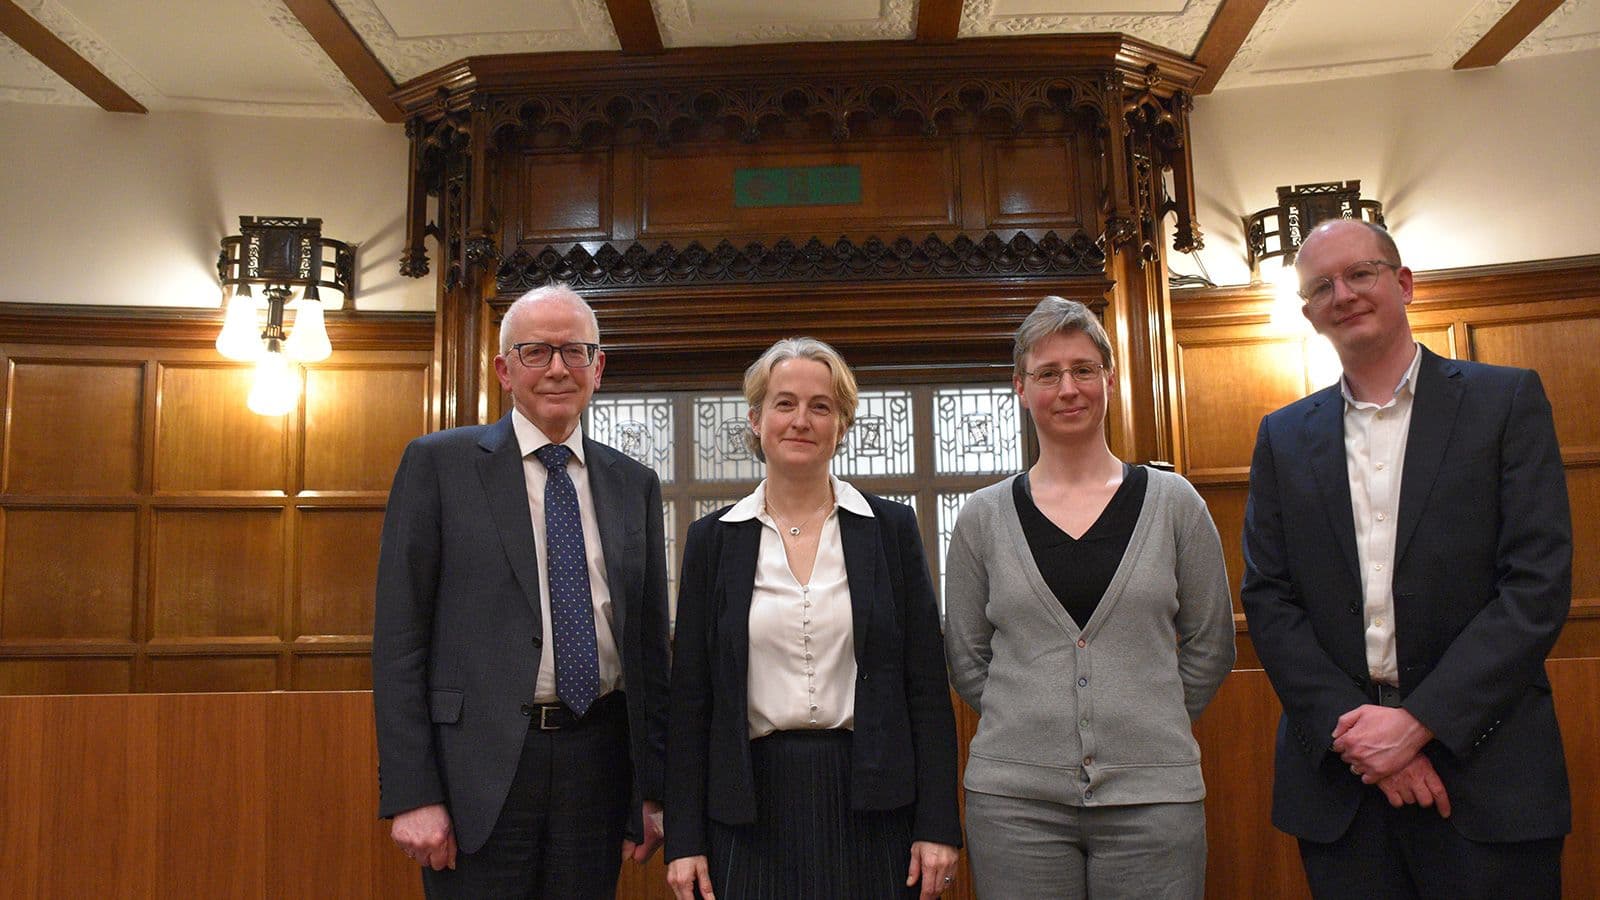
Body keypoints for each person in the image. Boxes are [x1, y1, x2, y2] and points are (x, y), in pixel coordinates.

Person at [1241, 219, 1572, 898]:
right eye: (1321, 287)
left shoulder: (1504, 402)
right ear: (1308, 313)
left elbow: (1536, 585)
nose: (1344, 294)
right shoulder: (1282, 436)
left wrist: (1419, 725)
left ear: (1404, 283)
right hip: (1343, 783)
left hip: (1488, 770)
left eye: (1360, 273)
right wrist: (1365, 743)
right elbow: (1269, 600)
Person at [372, 284, 671, 898]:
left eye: (575, 351)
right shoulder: (439, 465)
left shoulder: (632, 483)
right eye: (537, 352)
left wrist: (654, 786)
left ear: (599, 367)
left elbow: (647, 649)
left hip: (599, 763)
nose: (559, 368)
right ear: (505, 371)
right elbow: (400, 641)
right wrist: (413, 793)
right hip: (475, 773)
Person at [943, 296, 1235, 899]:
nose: (1067, 387)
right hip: (1014, 805)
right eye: (1048, 373)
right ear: (1020, 388)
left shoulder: (1175, 502)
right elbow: (967, 658)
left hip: (1155, 801)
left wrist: (1151, 715)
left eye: (1082, 369)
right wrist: (1029, 719)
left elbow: (1211, 643)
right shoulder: (982, 517)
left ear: (1109, 377)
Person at [664, 337, 962, 900]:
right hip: (746, 805)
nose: (801, 420)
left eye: (820, 406)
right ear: (756, 420)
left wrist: (938, 824)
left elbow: (925, 689)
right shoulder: (714, 540)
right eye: (784, 403)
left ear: (841, 424)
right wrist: (685, 838)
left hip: (873, 799)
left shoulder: (891, 530)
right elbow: (691, 703)